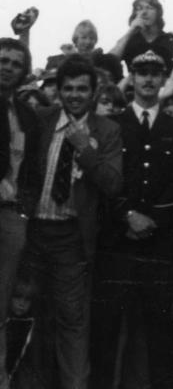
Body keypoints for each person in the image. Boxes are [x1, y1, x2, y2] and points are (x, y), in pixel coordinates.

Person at [91, 47, 173, 389]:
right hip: (117, 243)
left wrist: (153, 221)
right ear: (131, 78)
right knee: (107, 331)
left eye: (155, 73)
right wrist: (127, 216)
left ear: (164, 79)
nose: (148, 79)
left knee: (161, 333)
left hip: (158, 245)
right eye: (141, 72)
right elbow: (103, 182)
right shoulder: (111, 126)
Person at [27, 55, 122, 389]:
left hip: (71, 238)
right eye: (68, 88)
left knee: (72, 321)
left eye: (82, 88)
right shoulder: (40, 119)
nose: (75, 95)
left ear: (94, 92)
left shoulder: (106, 130)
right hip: (33, 233)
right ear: (58, 90)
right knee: (27, 316)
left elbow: (112, 183)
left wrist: (86, 150)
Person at [0, 38, 40, 389]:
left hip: (12, 217)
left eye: (15, 62)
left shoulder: (27, 113)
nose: (8, 67)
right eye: (2, 60)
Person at [110, 0, 173, 72]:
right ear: (135, 14)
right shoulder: (130, 40)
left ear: (158, 12)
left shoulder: (169, 39)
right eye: (139, 9)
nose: (144, 12)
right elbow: (108, 62)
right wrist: (130, 31)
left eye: (149, 7)